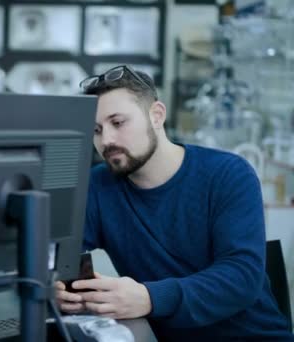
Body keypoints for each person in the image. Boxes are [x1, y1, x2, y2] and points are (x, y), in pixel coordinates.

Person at [55, 65, 293, 340]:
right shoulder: (98, 185)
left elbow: (241, 278)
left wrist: (149, 298)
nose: (106, 140)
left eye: (118, 123)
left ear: (156, 115)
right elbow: (59, 253)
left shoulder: (228, 174)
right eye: (96, 130)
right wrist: (57, 286)